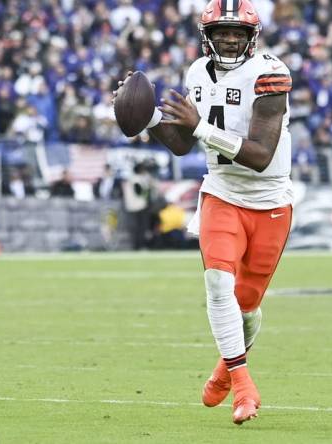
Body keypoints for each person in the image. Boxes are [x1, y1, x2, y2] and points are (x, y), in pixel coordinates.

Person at [114, 0, 293, 425]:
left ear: (252, 36)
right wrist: (148, 115)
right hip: (221, 193)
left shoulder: (270, 73)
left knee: (246, 308)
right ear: (206, 36)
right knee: (217, 284)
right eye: (221, 32)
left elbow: (261, 156)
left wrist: (199, 127)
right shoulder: (197, 72)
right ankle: (244, 385)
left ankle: (224, 368)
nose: (229, 38)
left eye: (237, 32)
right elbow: (181, 143)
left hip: (269, 201)